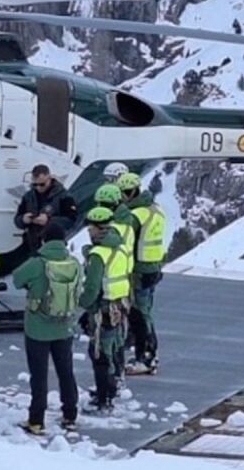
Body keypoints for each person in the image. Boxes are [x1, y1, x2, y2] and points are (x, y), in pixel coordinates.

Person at [12, 221, 81, 436]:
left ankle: (36, 420)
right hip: (64, 327)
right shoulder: (74, 263)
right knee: (66, 372)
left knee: (39, 376)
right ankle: (70, 415)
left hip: (38, 328)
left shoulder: (37, 263)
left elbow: (16, 280)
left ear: (43, 239)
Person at [79, 206, 132, 413]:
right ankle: (113, 386)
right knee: (115, 347)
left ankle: (104, 396)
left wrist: (84, 304)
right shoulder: (121, 248)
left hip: (103, 309)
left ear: (97, 228)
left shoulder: (98, 255)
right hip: (120, 305)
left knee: (99, 353)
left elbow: (92, 287)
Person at [118, 172, 165, 374]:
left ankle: (147, 356)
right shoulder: (155, 210)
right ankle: (145, 353)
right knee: (144, 312)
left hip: (139, 270)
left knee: (141, 314)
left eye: (126, 192)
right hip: (153, 267)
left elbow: (124, 238)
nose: (124, 196)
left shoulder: (137, 215)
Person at [14, 164, 78, 255]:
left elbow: (72, 220)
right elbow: (17, 220)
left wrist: (49, 220)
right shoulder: (28, 196)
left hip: (53, 246)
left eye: (42, 184)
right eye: (35, 185)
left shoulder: (64, 196)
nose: (38, 187)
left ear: (49, 179)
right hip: (31, 245)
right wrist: (23, 219)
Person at [93, 183, 137, 258]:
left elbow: (103, 253)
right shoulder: (126, 219)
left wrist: (87, 249)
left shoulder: (113, 228)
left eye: (102, 204)